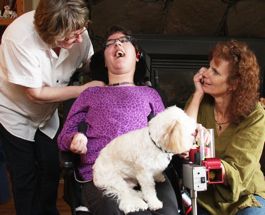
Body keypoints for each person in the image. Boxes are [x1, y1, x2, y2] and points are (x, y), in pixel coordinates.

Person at [57, 25, 180, 215]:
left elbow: (168, 134)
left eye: (124, 41)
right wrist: (74, 139)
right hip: (104, 173)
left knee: (168, 212)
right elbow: (64, 135)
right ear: (105, 61)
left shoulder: (149, 94)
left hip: (146, 170)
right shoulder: (91, 94)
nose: (117, 45)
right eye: (111, 44)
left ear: (137, 55)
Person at [0, 0, 104, 214]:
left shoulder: (77, 32)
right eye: (71, 36)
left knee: (50, 168)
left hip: (48, 114)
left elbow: (89, 63)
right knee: (24, 175)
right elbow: (36, 93)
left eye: (81, 31)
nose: (79, 39)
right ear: (49, 34)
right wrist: (84, 90)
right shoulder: (19, 39)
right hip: (15, 112)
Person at [185, 40, 265, 215]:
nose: (205, 73)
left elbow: (238, 172)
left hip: (244, 195)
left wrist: (207, 161)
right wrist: (198, 94)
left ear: (233, 84)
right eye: (208, 66)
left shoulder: (255, 115)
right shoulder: (201, 102)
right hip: (204, 197)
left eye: (215, 71)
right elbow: (183, 134)